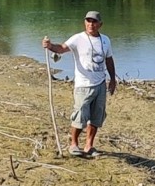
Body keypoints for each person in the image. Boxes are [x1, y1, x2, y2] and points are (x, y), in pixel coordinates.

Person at [42, 11, 117, 157]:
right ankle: (74, 144)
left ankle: (89, 145)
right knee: (80, 115)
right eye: (88, 21)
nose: (91, 24)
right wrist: (50, 46)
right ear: (85, 23)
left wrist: (112, 80)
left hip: (100, 84)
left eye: (94, 22)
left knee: (97, 116)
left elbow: (109, 59)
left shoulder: (105, 40)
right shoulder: (78, 38)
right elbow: (62, 48)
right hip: (83, 85)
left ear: (100, 24)